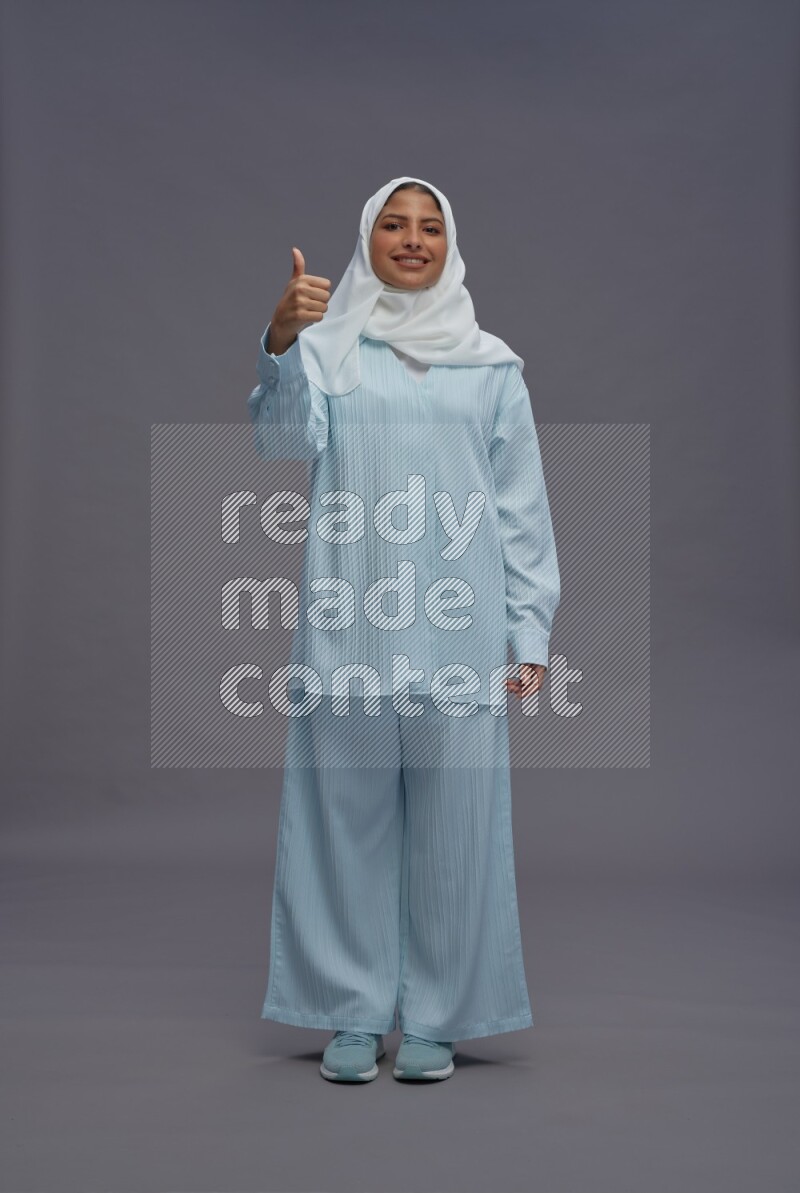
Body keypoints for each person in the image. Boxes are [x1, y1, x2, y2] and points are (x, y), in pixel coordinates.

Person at [246, 176, 560, 1083]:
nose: (412, 239)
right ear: (367, 240)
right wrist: (279, 341)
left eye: (429, 227)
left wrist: (529, 632)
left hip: (460, 636)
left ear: (450, 245)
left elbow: (521, 507)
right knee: (340, 823)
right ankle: (350, 1009)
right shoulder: (327, 349)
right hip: (350, 625)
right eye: (394, 224)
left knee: (458, 831)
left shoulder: (491, 367)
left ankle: (439, 1016)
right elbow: (280, 444)